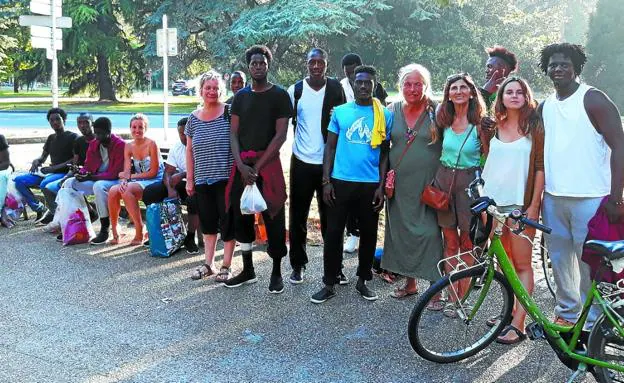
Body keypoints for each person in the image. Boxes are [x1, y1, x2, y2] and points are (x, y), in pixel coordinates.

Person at [538, 43, 624, 327]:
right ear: (546, 69)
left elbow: (620, 147)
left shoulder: (593, 99)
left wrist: (616, 198)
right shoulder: (546, 105)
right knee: (560, 260)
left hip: (591, 198)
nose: (558, 68)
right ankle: (567, 313)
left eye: (564, 63)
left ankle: (595, 323)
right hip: (553, 197)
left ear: (576, 67)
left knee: (590, 264)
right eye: (552, 64)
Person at [311, 65, 393, 304]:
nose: (364, 86)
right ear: (353, 84)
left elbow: (385, 153)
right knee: (334, 232)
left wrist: (380, 186)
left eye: (369, 82)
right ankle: (329, 281)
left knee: (368, 234)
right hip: (340, 182)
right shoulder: (341, 112)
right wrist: (326, 181)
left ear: (375, 85)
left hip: (369, 185)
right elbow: (330, 148)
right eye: (359, 82)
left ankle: (363, 280)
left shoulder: (384, 115)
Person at [481, 77, 544, 344]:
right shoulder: (494, 125)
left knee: (520, 264)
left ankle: (519, 323)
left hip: (520, 206)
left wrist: (533, 205)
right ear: (502, 96)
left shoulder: (534, 127)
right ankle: (509, 312)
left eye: (520, 91)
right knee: (503, 262)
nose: (515, 95)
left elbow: (541, 167)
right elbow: (489, 159)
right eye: (509, 92)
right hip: (493, 204)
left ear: (526, 96)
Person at [225, 45, 292, 293]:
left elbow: (281, 135)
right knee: (241, 216)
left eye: (262, 63)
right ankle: (248, 270)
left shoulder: (280, 96)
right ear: (248, 66)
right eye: (254, 63)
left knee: (273, 217)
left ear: (268, 65)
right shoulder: (240, 97)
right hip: (243, 166)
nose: (258, 66)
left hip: (269, 166)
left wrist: (258, 167)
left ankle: (276, 272)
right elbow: (232, 133)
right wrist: (242, 166)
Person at [380, 64, 443, 300]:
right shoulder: (391, 110)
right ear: (400, 86)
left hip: (429, 184)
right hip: (400, 185)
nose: (413, 89)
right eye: (408, 84)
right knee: (402, 232)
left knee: (430, 234)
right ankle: (410, 284)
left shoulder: (436, 111)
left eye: (418, 84)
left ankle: (435, 292)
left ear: (426, 86)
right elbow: (383, 145)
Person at [287, 47, 346, 284]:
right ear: (306, 64)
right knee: (298, 216)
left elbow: (343, 121)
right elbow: (285, 121)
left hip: (329, 164)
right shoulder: (296, 90)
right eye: (312, 62)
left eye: (320, 61)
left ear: (326, 64)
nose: (316, 66)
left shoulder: (335, 88)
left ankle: (335, 267)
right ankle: (298, 265)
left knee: (332, 218)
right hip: (301, 161)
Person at [434, 73, 486, 317]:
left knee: (467, 242)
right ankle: (450, 294)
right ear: (448, 94)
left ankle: (461, 298)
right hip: (445, 182)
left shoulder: (481, 124)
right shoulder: (443, 120)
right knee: (450, 241)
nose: (458, 91)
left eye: (463, 87)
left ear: (472, 92)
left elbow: (488, 157)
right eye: (453, 88)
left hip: (469, 184)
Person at [185, 71, 236, 282]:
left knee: (228, 223)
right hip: (202, 180)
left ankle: (226, 265)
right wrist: (190, 179)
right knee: (207, 223)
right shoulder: (193, 118)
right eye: (208, 88)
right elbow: (189, 150)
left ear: (221, 90)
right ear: (201, 90)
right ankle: (209, 264)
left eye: (216, 88)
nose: (212, 91)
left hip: (225, 179)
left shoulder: (229, 112)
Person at [339, 53, 389, 254]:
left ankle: (365, 262)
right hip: (348, 152)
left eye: (354, 69)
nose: (351, 75)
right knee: (348, 205)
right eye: (348, 71)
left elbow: (384, 109)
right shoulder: (340, 86)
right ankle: (352, 233)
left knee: (369, 210)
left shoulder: (375, 87)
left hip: (371, 143)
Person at [63, 117, 126, 245]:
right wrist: (80, 173)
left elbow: (115, 173)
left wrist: (91, 177)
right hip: (97, 178)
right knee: (70, 183)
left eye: (100, 133)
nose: (97, 136)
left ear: (109, 132)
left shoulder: (120, 145)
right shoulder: (94, 144)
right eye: (96, 133)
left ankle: (104, 228)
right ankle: (77, 221)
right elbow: (88, 166)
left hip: (117, 181)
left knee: (98, 186)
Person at [142, 117, 200, 254]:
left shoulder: (200, 146)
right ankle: (158, 233)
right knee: (150, 192)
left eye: (186, 133)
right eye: (181, 133)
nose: (184, 137)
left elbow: (203, 171)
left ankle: (190, 237)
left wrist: (183, 174)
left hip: (199, 184)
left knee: (193, 200)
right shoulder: (177, 147)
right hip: (181, 185)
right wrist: (169, 190)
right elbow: (167, 173)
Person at [14, 108, 77, 224]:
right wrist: (36, 161)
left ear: (64, 120)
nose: (55, 123)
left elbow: (75, 159)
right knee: (19, 180)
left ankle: (55, 214)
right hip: (48, 173)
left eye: (58, 119)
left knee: (44, 184)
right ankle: (40, 209)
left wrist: (54, 168)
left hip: (64, 173)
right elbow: (43, 157)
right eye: (51, 120)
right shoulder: (51, 138)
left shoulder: (73, 137)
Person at [108, 114, 164, 245]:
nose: (137, 130)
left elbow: (153, 173)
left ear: (146, 129)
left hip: (156, 180)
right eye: (134, 127)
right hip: (140, 180)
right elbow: (126, 170)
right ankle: (115, 230)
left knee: (126, 190)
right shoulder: (129, 146)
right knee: (113, 191)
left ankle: (139, 228)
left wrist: (130, 178)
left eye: (141, 127)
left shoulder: (152, 144)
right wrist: (124, 181)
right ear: (130, 128)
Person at [41, 112, 97, 227]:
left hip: (98, 176)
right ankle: (66, 220)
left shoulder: (99, 140)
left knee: (67, 186)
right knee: (53, 187)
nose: (82, 126)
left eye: (85, 122)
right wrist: (67, 176)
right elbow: (75, 164)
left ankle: (83, 215)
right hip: (81, 175)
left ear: (93, 123)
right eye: (79, 123)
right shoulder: (79, 141)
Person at [0, 134, 12, 228]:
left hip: (2, 170)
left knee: (1, 177)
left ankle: (2, 215)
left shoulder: (0, 138)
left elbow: (6, 164)